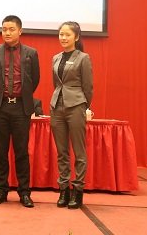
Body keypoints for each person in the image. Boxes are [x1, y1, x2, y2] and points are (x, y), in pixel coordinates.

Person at [0, 15, 40, 208]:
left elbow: (34, 80)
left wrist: (21, 96)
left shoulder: (31, 53)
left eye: (11, 29)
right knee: (0, 151)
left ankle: (24, 192)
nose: (7, 33)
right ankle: (1, 190)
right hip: (0, 107)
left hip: (21, 108)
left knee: (21, 152)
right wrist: (0, 95)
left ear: (20, 31)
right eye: (4, 29)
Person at [50, 21, 93, 209]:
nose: (63, 37)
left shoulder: (83, 58)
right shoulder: (56, 58)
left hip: (76, 105)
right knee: (62, 152)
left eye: (67, 34)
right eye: (61, 34)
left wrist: (84, 106)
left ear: (76, 37)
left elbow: (88, 87)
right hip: (56, 106)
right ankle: (64, 190)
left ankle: (78, 190)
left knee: (79, 151)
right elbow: (56, 84)